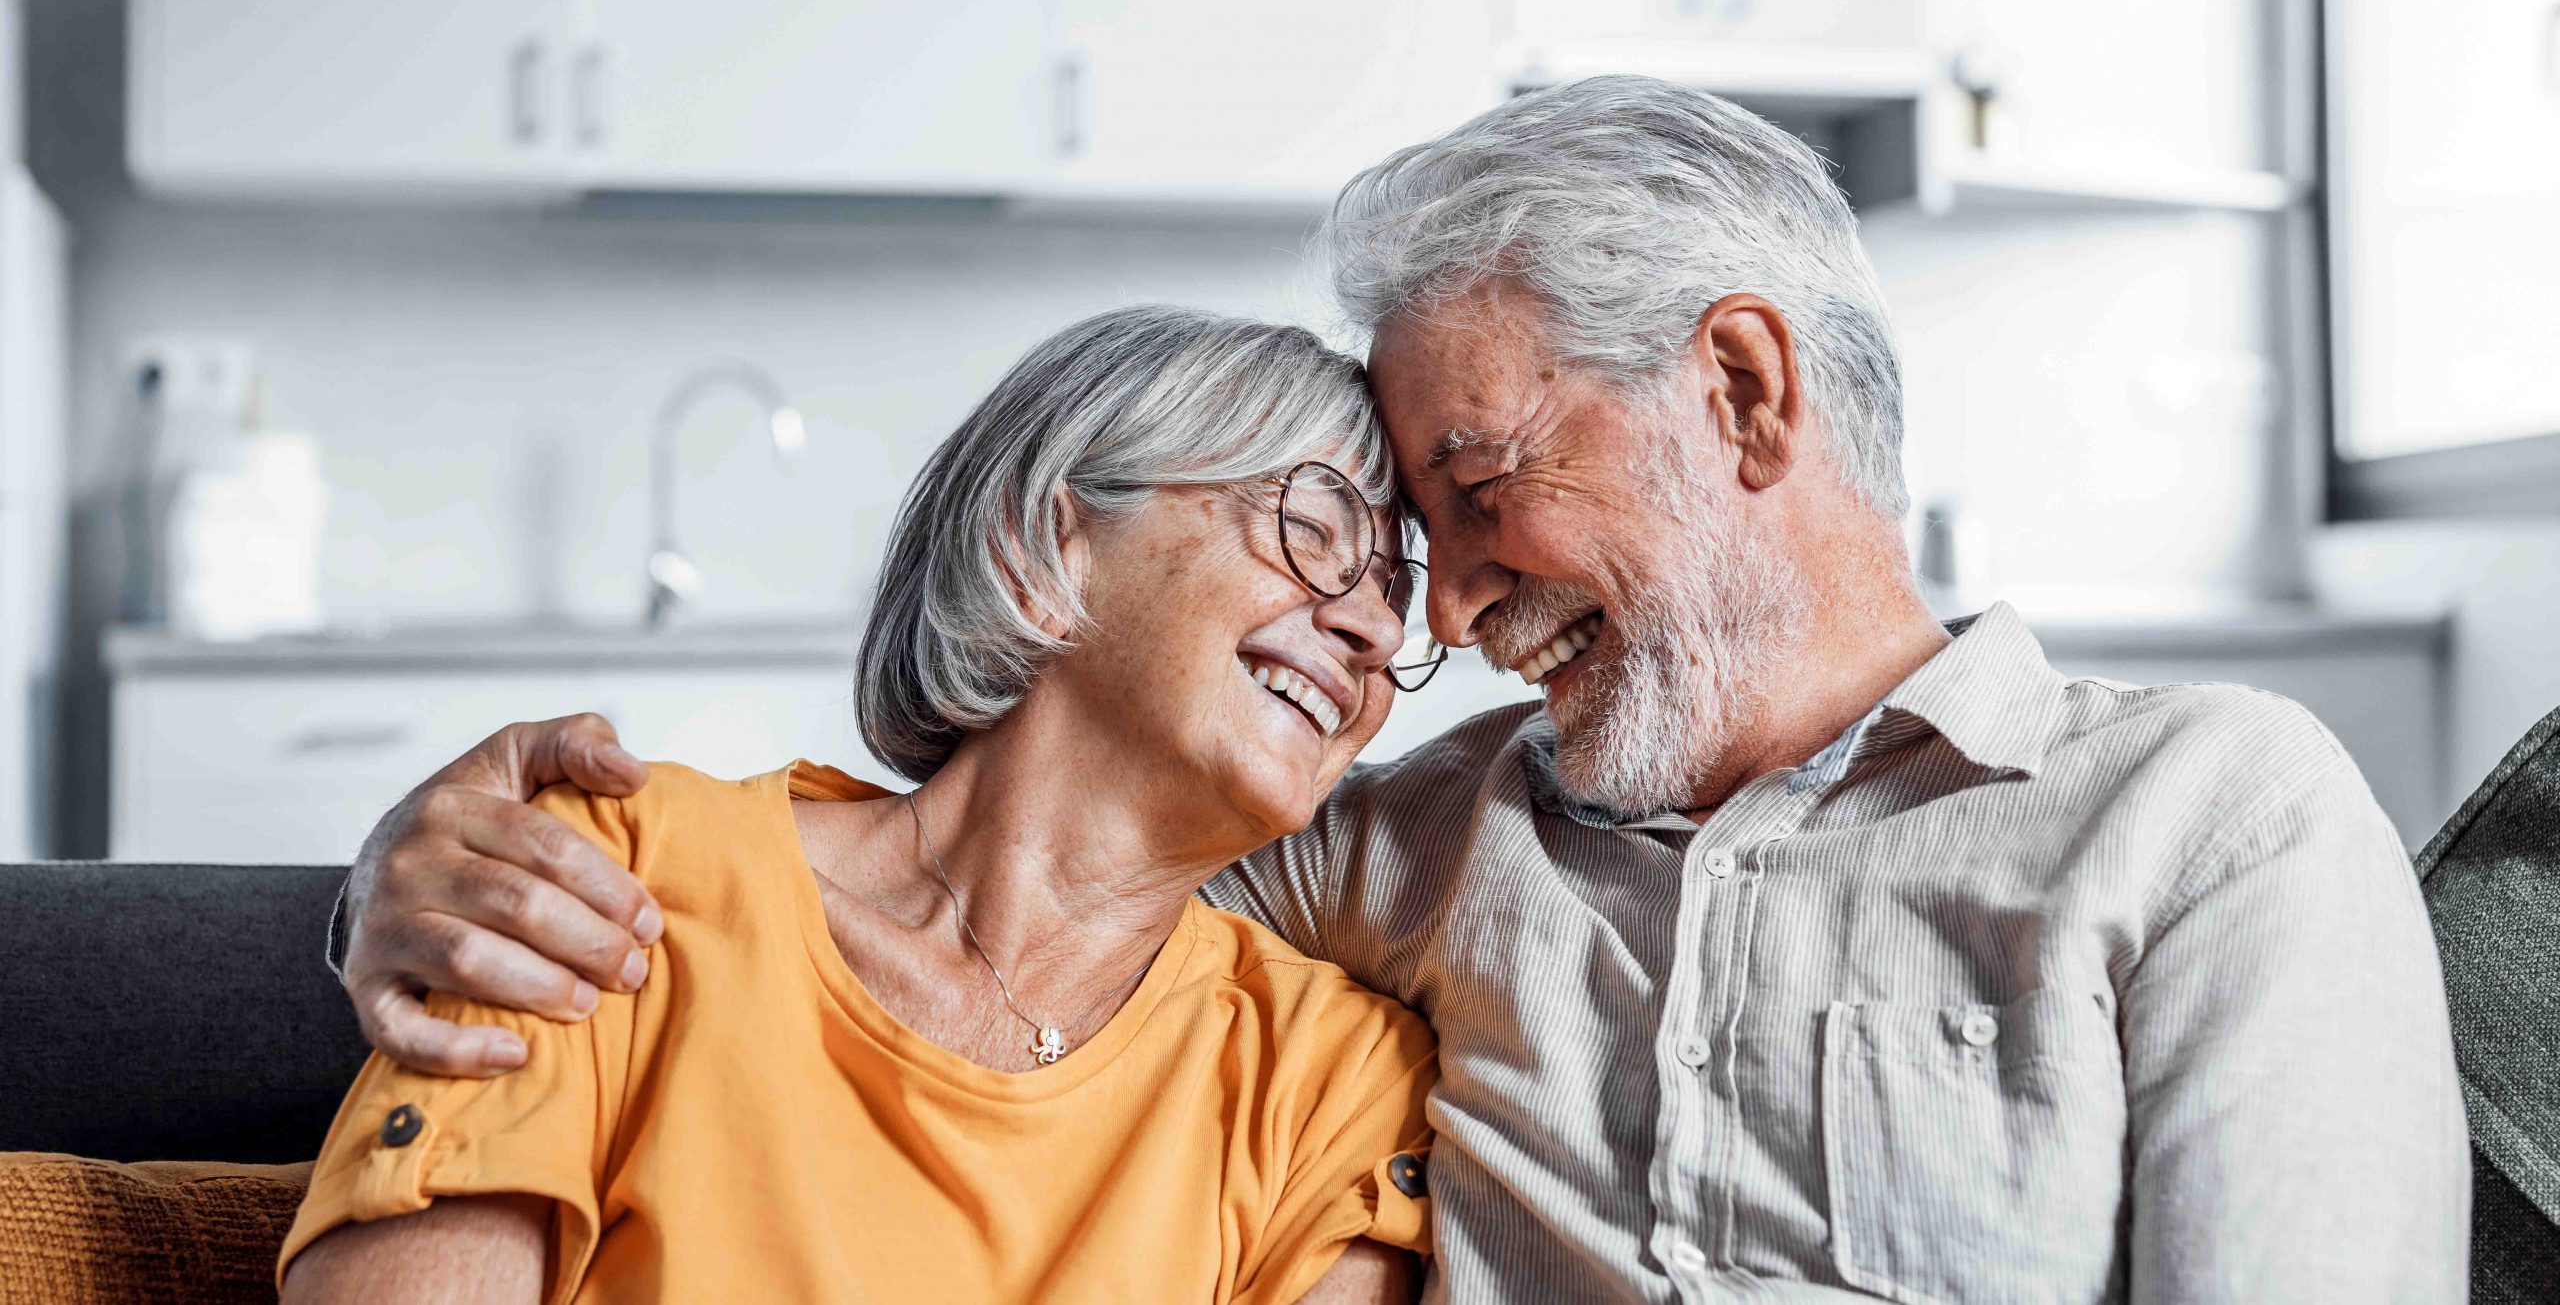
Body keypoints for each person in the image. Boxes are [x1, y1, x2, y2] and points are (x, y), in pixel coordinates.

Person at [338, 77, 2468, 1301]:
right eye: (1357, 542)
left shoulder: (2206, 811)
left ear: (1736, 389)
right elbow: (997, 871)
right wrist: (403, 865)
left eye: (1463, 490)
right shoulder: (1388, 848)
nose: (1424, 615)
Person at [280, 308, 1444, 1304]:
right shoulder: (619, 881)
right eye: (1312, 532)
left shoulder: (1331, 1080)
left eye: (1395, 592)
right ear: (1047, 546)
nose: (1375, 630)